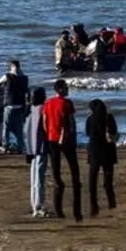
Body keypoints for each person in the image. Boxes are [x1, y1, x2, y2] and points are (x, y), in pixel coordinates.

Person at [43, 79, 82, 221]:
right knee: (73, 164)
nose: (67, 89)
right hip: (66, 139)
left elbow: (44, 121)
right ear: (61, 90)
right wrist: (73, 136)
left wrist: (48, 134)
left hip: (52, 138)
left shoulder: (48, 103)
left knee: (56, 166)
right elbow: (71, 122)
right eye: (65, 87)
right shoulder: (67, 103)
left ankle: (58, 184)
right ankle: (75, 183)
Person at [84, 99, 118, 218]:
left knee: (93, 178)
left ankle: (94, 206)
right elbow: (114, 132)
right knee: (108, 179)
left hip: (94, 149)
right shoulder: (109, 118)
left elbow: (88, 133)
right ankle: (111, 203)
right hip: (108, 149)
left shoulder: (89, 119)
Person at [25, 87, 49, 218]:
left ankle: (34, 204)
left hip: (31, 149)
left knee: (34, 177)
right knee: (39, 178)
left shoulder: (31, 111)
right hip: (41, 148)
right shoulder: (43, 110)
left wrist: (27, 150)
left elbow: (27, 131)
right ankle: (39, 206)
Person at [0, 60, 30, 152]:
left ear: (11, 66)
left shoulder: (7, 76)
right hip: (20, 105)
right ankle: (20, 147)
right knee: (19, 128)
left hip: (9, 105)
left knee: (6, 127)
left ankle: (5, 146)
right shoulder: (24, 77)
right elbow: (27, 92)